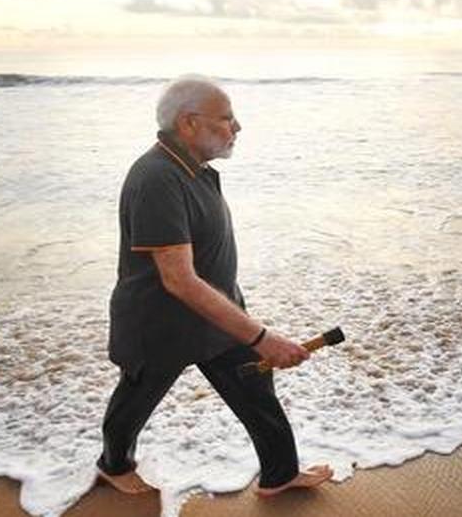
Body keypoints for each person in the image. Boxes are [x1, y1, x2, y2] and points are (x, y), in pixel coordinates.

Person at [96, 76, 332, 497]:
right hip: (159, 325)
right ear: (188, 123)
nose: (236, 127)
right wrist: (261, 337)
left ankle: (280, 474)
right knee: (135, 401)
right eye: (226, 118)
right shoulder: (157, 178)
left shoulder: (194, 169)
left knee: (255, 391)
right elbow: (179, 279)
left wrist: (245, 327)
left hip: (215, 317)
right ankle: (113, 465)